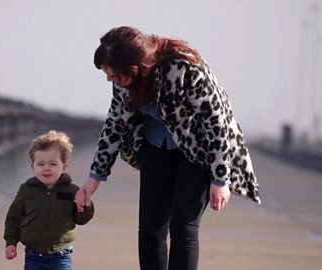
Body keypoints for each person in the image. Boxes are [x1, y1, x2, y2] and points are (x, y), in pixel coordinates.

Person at [74, 26, 261, 270]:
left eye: (114, 75)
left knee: (183, 226)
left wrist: (220, 178)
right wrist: (94, 178)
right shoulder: (124, 82)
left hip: (198, 151)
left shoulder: (184, 67)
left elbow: (216, 120)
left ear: (134, 67)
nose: (111, 80)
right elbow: (114, 124)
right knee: (150, 229)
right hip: (155, 147)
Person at [4, 130, 94, 270]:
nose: (46, 168)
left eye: (53, 164)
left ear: (63, 166)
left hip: (61, 255)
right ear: (33, 167)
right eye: (40, 164)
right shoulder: (26, 191)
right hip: (33, 255)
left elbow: (81, 219)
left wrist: (85, 206)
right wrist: (11, 242)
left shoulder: (71, 191)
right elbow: (13, 218)